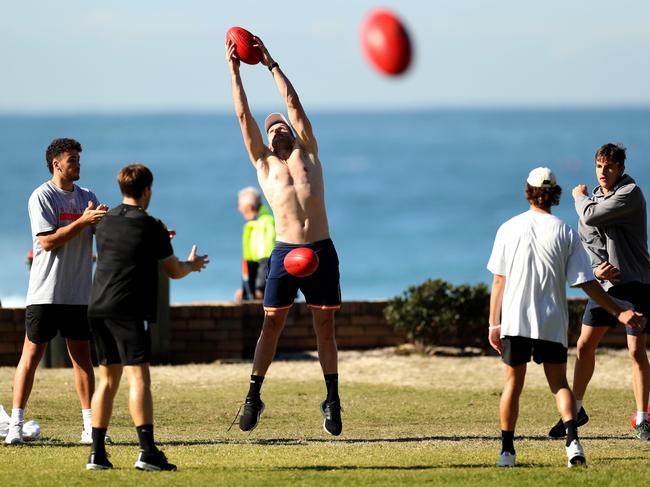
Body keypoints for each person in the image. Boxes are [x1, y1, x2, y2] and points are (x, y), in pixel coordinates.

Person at [487, 167, 645, 468]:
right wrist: (619, 311)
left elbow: (499, 281)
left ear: (528, 191)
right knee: (559, 383)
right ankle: (573, 444)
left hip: (515, 319)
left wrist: (494, 323)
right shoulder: (564, 231)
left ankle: (507, 452)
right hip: (551, 319)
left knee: (512, 385)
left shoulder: (508, 228)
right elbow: (586, 283)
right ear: (555, 194)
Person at [226, 35, 343, 435]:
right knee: (271, 325)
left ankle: (332, 398)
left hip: (321, 251)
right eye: (271, 128)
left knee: (324, 327)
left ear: (292, 132)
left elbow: (293, 104)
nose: (277, 130)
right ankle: (253, 395)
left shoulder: (308, 152)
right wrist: (234, 71)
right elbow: (244, 117)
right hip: (285, 253)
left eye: (281, 126)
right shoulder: (263, 164)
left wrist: (271, 64)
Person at [84, 164, 208, 471]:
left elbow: (122, 248)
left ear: (122, 187)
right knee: (138, 378)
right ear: (148, 190)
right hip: (129, 309)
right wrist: (191, 265)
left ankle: (97, 455)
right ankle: (147, 451)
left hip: (98, 306)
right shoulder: (151, 225)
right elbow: (173, 271)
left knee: (107, 380)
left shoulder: (103, 220)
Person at [5, 138, 108, 445]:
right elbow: (48, 241)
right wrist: (84, 220)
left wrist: (108, 222)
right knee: (31, 356)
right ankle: (15, 426)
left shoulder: (87, 195)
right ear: (57, 164)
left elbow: (100, 234)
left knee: (82, 360)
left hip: (78, 294)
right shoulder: (42, 196)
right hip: (45, 293)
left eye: (79, 159)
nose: (78, 164)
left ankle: (90, 428)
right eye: (72, 160)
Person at [547, 144, 650, 441]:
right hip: (605, 288)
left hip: (635, 284)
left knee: (635, 350)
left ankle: (642, 418)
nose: (603, 173)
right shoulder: (593, 201)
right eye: (599, 167)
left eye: (609, 167)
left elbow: (590, 217)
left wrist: (578, 196)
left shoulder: (629, 194)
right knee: (584, 346)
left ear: (620, 169)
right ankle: (576, 410)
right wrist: (595, 271)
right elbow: (587, 241)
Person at [234, 186, 275, 302]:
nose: (239, 209)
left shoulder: (264, 223)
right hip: (256, 289)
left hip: (264, 292)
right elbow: (250, 261)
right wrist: (246, 289)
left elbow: (266, 259)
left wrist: (259, 288)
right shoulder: (252, 224)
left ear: (249, 207)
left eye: (240, 205)